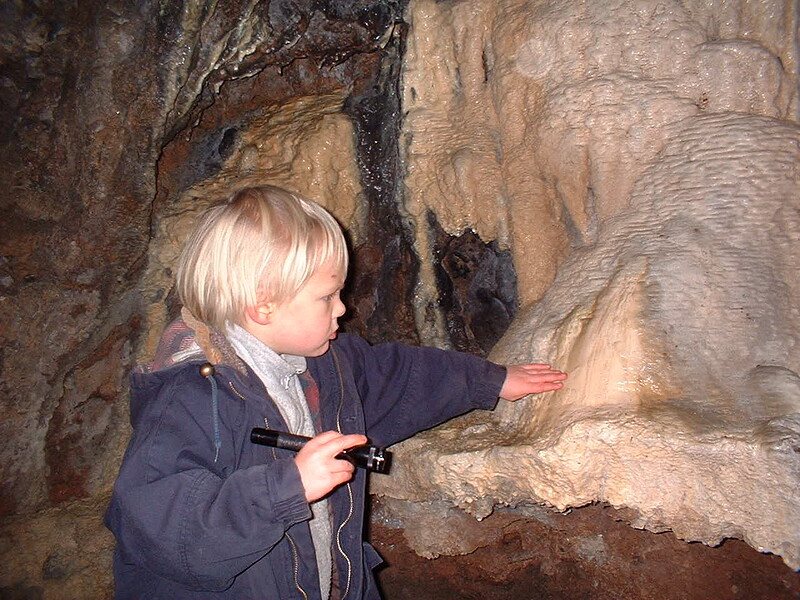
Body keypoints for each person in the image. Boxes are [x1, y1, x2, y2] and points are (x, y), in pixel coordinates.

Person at [104, 184, 567, 599]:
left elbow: (401, 377)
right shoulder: (190, 398)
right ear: (263, 306)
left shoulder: (327, 366)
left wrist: (491, 381)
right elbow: (165, 531)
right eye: (327, 296)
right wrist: (287, 487)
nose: (342, 309)